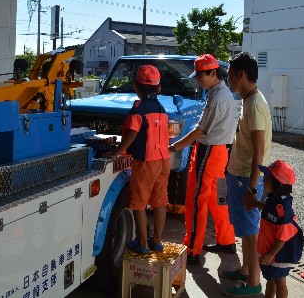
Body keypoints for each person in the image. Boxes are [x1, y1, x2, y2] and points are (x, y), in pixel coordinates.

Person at [168, 54, 238, 265]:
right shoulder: (222, 93)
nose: (198, 80)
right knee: (219, 198)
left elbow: (200, 130)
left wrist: (175, 146)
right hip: (220, 152)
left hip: (208, 152)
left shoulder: (217, 97)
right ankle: (227, 240)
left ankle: (193, 250)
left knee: (196, 200)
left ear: (213, 72)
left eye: (201, 76)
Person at [221, 52, 273, 296]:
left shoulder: (254, 105)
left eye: (231, 76)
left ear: (242, 75)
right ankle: (244, 270)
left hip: (246, 178)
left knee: (250, 233)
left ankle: (253, 283)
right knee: (243, 229)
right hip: (238, 174)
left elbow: (258, 154)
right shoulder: (248, 100)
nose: (229, 80)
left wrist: (252, 189)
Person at [106, 65, 170, 254]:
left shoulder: (139, 110)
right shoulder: (161, 108)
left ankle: (142, 243)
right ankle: (157, 241)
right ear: (158, 88)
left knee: (139, 203)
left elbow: (131, 135)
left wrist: (115, 152)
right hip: (163, 159)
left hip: (146, 161)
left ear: (136, 86)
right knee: (159, 201)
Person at [254, 160, 304, 298]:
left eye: (267, 178)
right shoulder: (274, 199)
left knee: (280, 282)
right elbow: (269, 209)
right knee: (271, 279)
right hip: (270, 249)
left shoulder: (284, 209)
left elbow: (283, 236)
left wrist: (270, 254)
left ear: (278, 184)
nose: (264, 180)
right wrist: (256, 204)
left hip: (280, 253)